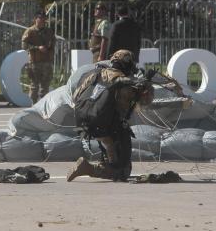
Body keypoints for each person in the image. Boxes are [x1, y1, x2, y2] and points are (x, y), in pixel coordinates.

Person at [67, 50, 156, 182]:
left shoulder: (93, 74)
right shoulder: (122, 80)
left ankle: (104, 163)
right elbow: (140, 103)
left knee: (111, 154)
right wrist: (146, 86)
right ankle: (87, 168)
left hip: (85, 123)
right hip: (109, 126)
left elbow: (75, 97)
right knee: (122, 171)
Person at [21, 10, 55, 103]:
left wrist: (49, 51)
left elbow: (53, 44)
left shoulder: (49, 31)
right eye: (40, 18)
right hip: (35, 62)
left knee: (45, 86)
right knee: (34, 86)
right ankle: (34, 104)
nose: (42, 20)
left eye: (44, 19)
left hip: (46, 62)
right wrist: (37, 48)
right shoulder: (30, 31)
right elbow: (24, 46)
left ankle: (43, 105)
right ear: (35, 19)